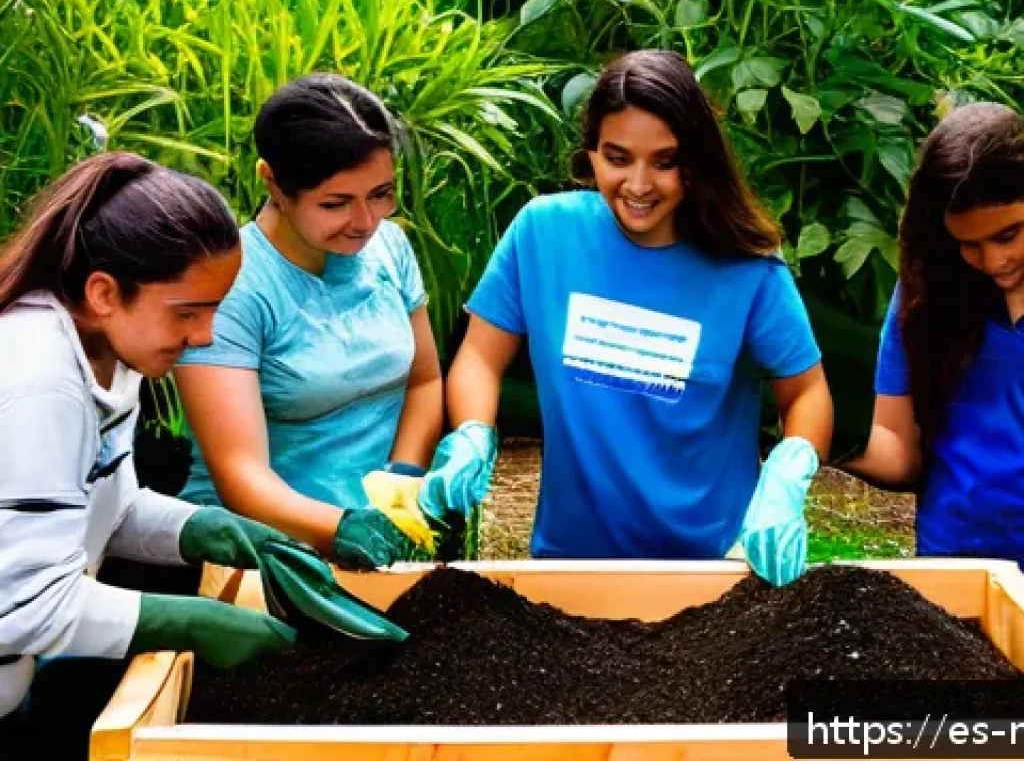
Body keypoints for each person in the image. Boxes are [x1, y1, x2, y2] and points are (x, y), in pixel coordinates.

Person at [434, 50, 833, 585]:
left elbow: (807, 391)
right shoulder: (543, 234)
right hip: (572, 565)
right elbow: (480, 358)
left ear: (696, 161)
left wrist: (788, 476)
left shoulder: (747, 267)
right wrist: (472, 433)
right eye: (618, 158)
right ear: (591, 153)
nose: (639, 185)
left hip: (716, 568)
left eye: (664, 162)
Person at [0, 152, 298, 730]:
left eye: (214, 310)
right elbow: (25, 605)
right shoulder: (39, 381)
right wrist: (189, 622)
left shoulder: (111, 355)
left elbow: (104, 506)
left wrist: (198, 529)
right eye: (187, 313)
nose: (204, 335)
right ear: (105, 293)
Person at [176, 74, 444, 569]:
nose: (365, 221)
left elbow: (425, 381)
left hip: (380, 537)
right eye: (335, 204)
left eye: (381, 194)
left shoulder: (388, 247)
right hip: (266, 546)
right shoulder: (232, 286)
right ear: (272, 183)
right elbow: (240, 475)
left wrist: (403, 482)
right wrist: (342, 528)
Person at [846, 102, 1024, 565]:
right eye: (969, 244)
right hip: (955, 554)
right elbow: (895, 448)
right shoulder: (926, 295)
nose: (994, 261)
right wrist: (807, 442)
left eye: (1008, 235)